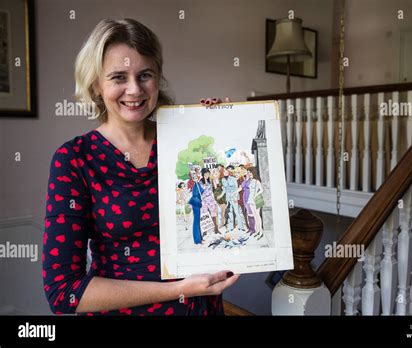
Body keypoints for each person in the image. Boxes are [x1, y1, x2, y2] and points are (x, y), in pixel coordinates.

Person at [43, 18, 238, 316]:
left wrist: (227, 133)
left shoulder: (185, 143)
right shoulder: (74, 159)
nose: (134, 89)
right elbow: (64, 293)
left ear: (158, 78)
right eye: (118, 77)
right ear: (96, 84)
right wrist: (180, 289)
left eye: (144, 75)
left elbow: (221, 209)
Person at [247, 167, 264, 239]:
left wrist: (256, 195)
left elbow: (262, 190)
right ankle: (257, 231)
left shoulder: (257, 181)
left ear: (253, 172)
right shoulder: (251, 181)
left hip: (257, 199)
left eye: (250, 172)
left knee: (258, 216)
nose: (249, 173)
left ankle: (261, 232)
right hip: (251, 199)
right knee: (255, 216)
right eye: (248, 172)